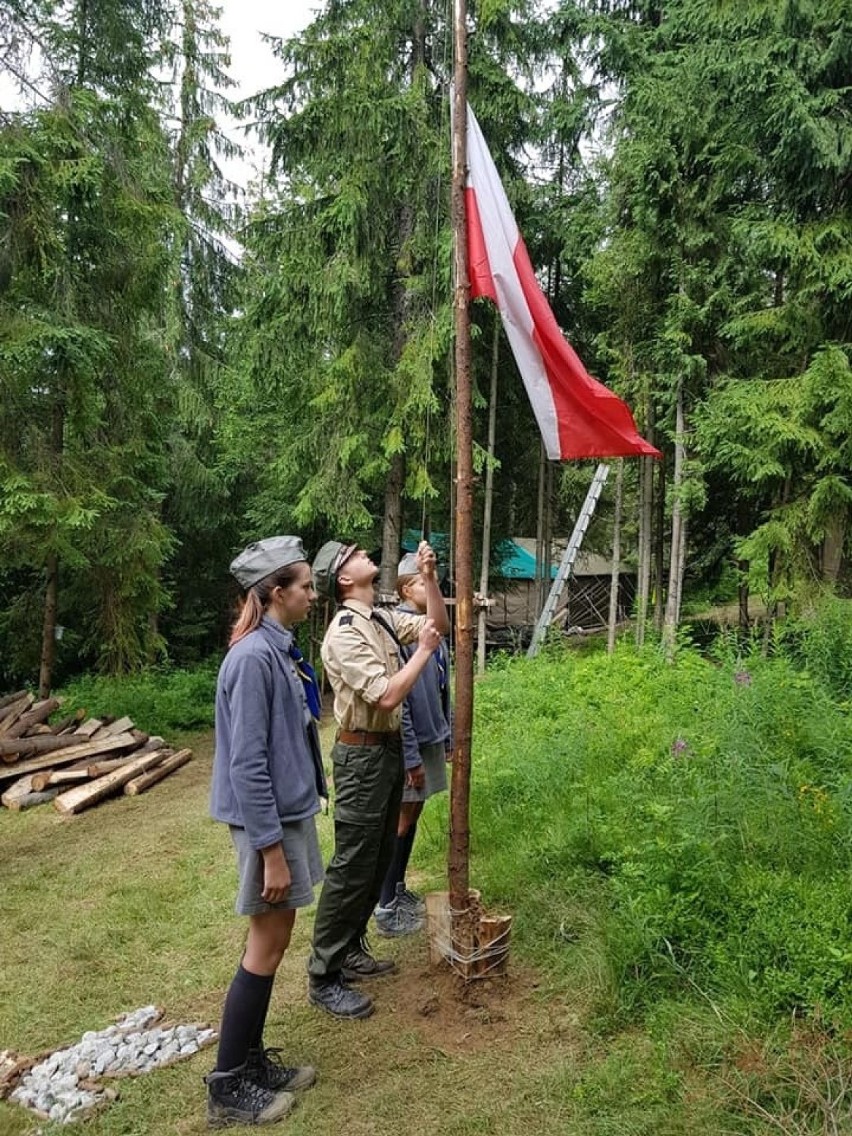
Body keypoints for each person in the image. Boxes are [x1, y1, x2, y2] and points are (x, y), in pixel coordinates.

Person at [205, 536, 327, 1128]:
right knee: (265, 944)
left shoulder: (277, 650)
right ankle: (228, 1085)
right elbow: (247, 763)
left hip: (286, 815)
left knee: (276, 940)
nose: (312, 592)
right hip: (268, 825)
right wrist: (271, 852)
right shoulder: (253, 659)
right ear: (275, 593)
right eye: (304, 584)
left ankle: (251, 1062)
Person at [306, 539, 449, 1019]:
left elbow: (437, 627)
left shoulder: (381, 617)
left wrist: (428, 577)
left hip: (385, 752)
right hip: (361, 757)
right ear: (345, 579)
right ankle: (324, 974)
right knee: (351, 866)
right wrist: (423, 653)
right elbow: (387, 696)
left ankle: (350, 949)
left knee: (379, 857)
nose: (363, 551)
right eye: (353, 554)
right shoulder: (345, 632)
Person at [373, 552, 452, 937]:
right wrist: (409, 756)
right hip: (413, 743)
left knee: (413, 815)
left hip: (431, 737)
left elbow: (441, 688)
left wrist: (447, 735)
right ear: (407, 588)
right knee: (401, 820)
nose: (430, 587)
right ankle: (385, 905)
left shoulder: (430, 630)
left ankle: (398, 889)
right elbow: (399, 703)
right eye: (423, 583)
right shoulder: (401, 632)